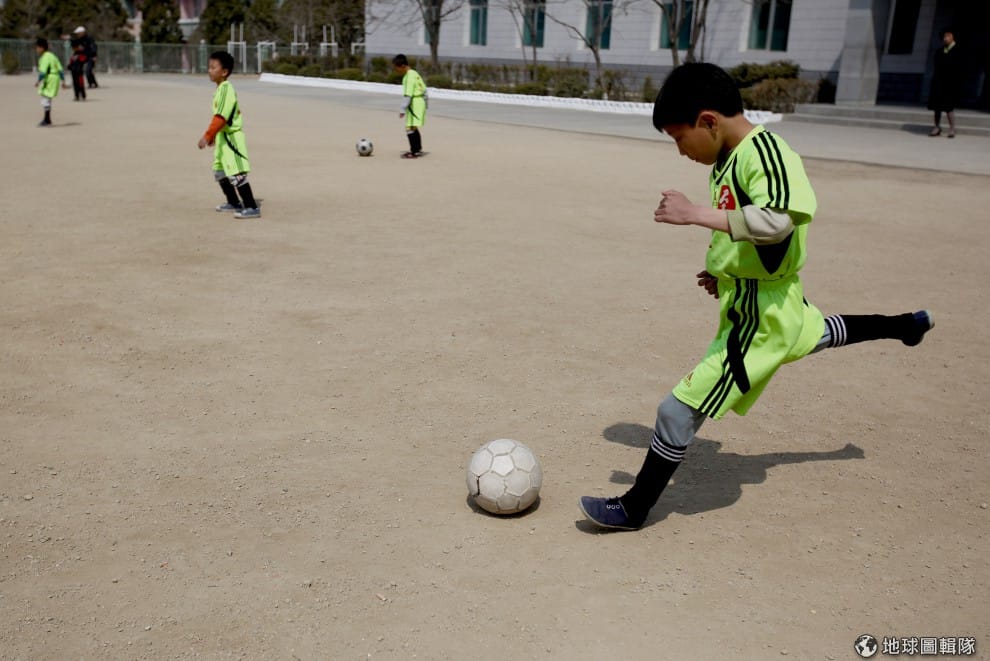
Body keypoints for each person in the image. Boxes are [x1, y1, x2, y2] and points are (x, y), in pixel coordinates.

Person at [579, 63, 934, 531]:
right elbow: (745, 229)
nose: (681, 151)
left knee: (677, 409)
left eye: (680, 138)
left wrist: (694, 213)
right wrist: (724, 271)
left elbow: (777, 222)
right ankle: (906, 325)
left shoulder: (764, 152)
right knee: (821, 333)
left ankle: (634, 507)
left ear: (708, 121)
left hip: (760, 318)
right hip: (769, 300)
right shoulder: (728, 159)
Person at [197, 51, 260, 219]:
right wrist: (215, 136)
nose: (209, 70)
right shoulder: (219, 89)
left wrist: (208, 135)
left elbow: (221, 117)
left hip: (232, 139)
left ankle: (251, 206)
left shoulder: (226, 89)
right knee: (220, 171)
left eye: (213, 67)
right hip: (222, 138)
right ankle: (233, 202)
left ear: (224, 72)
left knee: (236, 172)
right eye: (209, 67)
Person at [927, 28, 961, 138]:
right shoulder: (940, 51)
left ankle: (952, 128)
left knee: (948, 107)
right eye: (944, 37)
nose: (945, 38)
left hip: (950, 83)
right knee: (937, 107)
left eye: (948, 36)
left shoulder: (958, 51)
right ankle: (937, 127)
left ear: (953, 37)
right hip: (938, 82)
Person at [392, 54, 427, 159]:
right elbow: (424, 89)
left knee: (409, 128)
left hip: (414, 103)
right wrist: (425, 103)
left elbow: (408, 94)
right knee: (413, 127)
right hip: (420, 101)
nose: (396, 70)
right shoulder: (414, 73)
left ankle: (414, 151)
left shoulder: (408, 77)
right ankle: (418, 149)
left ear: (402, 66)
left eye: (396, 68)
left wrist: (402, 109)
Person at [34, 37, 67, 127]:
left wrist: (38, 81)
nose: (36, 49)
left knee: (45, 97)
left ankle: (47, 119)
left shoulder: (45, 57)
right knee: (47, 97)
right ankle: (47, 118)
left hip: (50, 78)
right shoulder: (53, 56)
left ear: (41, 48)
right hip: (55, 78)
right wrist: (63, 81)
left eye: (37, 47)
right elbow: (60, 70)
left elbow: (43, 72)